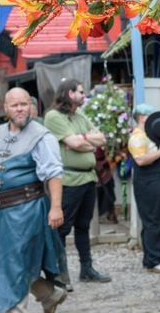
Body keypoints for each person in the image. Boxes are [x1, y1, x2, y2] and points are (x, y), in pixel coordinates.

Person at [0, 88, 67, 313]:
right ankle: (49, 294)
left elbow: (53, 173)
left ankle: (12, 309)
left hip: (28, 208)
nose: (20, 109)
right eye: (15, 105)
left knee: (12, 263)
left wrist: (56, 207)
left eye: (24, 104)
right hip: (0, 212)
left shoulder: (41, 135)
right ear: (6, 108)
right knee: (13, 261)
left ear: (30, 106)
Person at [44, 80, 111, 288]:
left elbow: (101, 139)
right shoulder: (53, 116)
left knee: (83, 226)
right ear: (69, 93)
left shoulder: (80, 116)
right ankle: (60, 275)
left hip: (88, 178)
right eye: (81, 92)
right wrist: (82, 141)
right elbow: (75, 143)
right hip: (69, 181)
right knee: (61, 229)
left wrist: (82, 140)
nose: (84, 95)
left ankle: (86, 269)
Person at [127, 103, 160, 273]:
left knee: (159, 218)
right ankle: (153, 260)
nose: (153, 118)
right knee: (152, 219)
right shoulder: (137, 137)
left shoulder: (150, 134)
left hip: (159, 179)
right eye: (150, 115)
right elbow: (141, 160)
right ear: (141, 117)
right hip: (148, 182)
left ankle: (156, 256)